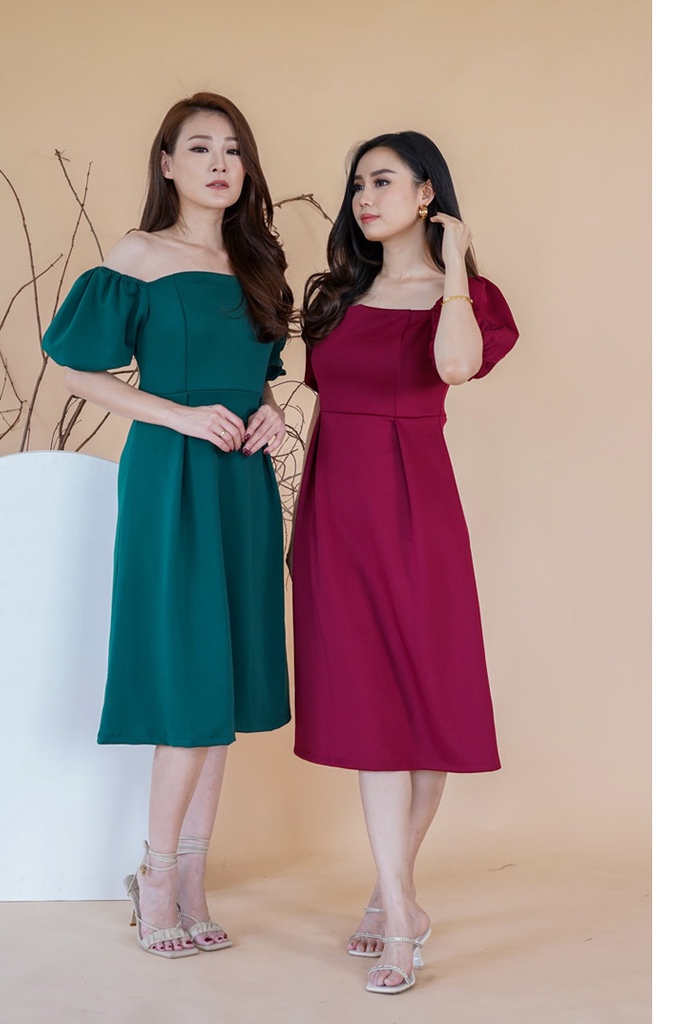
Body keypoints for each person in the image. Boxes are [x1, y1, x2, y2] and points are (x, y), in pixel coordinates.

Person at [41, 93, 293, 959]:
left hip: (242, 481)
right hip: (172, 476)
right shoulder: (139, 254)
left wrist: (271, 413)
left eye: (233, 149)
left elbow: (258, 373)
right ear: (167, 164)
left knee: (220, 691)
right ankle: (153, 877)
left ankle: (191, 877)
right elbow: (75, 369)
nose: (220, 163)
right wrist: (179, 416)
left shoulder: (259, 262)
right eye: (200, 148)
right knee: (188, 682)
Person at [290, 131, 519, 994]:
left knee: (426, 707)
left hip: (418, 512)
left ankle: (394, 896)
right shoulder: (336, 296)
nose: (364, 197)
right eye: (357, 184)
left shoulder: (464, 298)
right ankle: (398, 915)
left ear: (427, 194)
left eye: (383, 181)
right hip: (336, 511)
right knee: (369, 712)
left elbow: (456, 364)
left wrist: (453, 265)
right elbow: (322, 401)